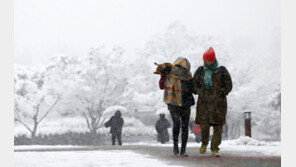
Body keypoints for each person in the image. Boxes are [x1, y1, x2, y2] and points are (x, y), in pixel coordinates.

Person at [192, 47, 232, 157]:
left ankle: (215, 149)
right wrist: (200, 91)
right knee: (204, 127)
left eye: (207, 60)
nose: (205, 62)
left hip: (218, 105)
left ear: (213, 60)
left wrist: (220, 93)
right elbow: (194, 85)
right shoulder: (200, 71)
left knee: (218, 128)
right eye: (204, 59)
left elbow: (229, 85)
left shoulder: (222, 71)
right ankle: (204, 143)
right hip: (204, 104)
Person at [158, 57, 195, 156]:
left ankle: (175, 148)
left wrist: (163, 75)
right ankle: (183, 150)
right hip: (185, 103)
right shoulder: (188, 75)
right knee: (184, 126)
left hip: (173, 103)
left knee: (176, 124)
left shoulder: (169, 73)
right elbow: (194, 89)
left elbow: (161, 86)